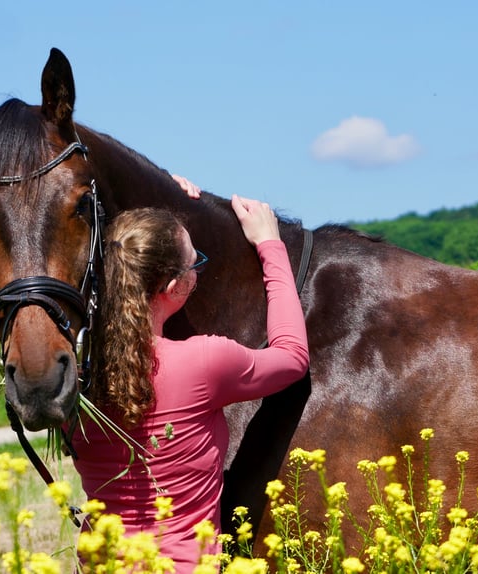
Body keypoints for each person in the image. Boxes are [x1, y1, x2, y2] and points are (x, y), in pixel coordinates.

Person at [71, 187, 309, 572]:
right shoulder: (203, 362)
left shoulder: (78, 378)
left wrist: (166, 198)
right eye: (194, 263)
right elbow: (293, 357)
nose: (197, 269)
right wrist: (270, 245)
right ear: (171, 287)